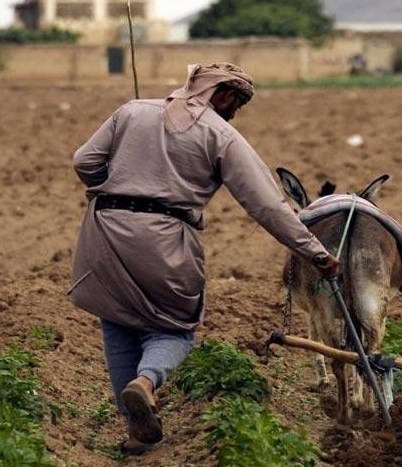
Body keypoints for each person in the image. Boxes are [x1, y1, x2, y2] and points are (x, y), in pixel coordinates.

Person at [70, 63, 340, 455]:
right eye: (237, 105)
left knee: (117, 323)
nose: (234, 113)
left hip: (103, 231)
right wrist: (316, 253)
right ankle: (146, 382)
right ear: (226, 95)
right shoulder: (221, 134)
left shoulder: (131, 110)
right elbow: (267, 205)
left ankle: (135, 434)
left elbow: (84, 162)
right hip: (165, 239)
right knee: (175, 329)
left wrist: (112, 187)